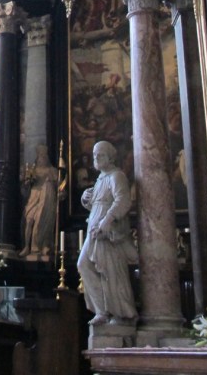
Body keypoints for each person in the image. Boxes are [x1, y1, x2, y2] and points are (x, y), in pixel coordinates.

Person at [77, 140, 138, 326]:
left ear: (110, 156)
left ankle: (122, 314)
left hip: (108, 234)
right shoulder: (101, 178)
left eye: (100, 155)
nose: (96, 158)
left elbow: (123, 201)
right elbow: (96, 205)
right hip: (94, 232)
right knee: (84, 265)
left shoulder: (116, 176)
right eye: (95, 155)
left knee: (110, 272)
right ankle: (102, 310)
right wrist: (85, 199)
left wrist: (106, 222)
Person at [19, 144, 62, 259]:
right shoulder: (32, 169)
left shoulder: (52, 170)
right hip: (33, 196)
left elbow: (60, 187)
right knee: (28, 219)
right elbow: (25, 187)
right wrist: (27, 183)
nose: (42, 158)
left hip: (46, 198)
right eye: (40, 155)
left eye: (44, 155)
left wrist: (60, 192)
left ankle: (38, 246)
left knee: (40, 220)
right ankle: (26, 246)